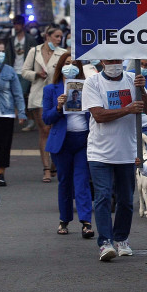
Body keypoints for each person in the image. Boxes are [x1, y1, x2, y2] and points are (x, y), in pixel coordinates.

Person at [82, 59, 147, 261]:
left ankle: (121, 239)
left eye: (117, 60)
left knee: (126, 200)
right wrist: (127, 109)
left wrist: (143, 90)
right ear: (102, 61)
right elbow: (99, 115)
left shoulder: (132, 79)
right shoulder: (93, 82)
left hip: (127, 151)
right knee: (103, 196)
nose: (114, 64)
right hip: (99, 152)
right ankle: (105, 242)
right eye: (110, 61)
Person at [42, 53, 94, 238]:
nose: (70, 66)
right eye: (66, 63)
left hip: (82, 140)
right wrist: (57, 107)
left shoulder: (88, 86)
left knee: (82, 181)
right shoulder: (51, 89)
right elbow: (46, 118)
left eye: (74, 63)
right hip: (62, 143)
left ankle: (86, 222)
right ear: (60, 67)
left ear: (79, 67)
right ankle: (64, 220)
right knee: (64, 182)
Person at [21, 25, 67, 182]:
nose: (59, 40)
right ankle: (46, 168)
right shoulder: (34, 52)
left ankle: (55, 160)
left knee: (57, 128)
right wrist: (36, 74)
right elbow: (24, 71)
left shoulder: (63, 53)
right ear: (47, 36)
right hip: (39, 95)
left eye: (61, 37)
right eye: (56, 36)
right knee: (45, 129)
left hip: (57, 94)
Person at [0, 40, 27, 187]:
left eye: (3, 51)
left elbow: (17, 93)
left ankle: (0, 174)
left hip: (6, 114)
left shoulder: (9, 71)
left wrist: (21, 112)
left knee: (4, 146)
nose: (1, 54)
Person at [5, 15, 34, 119]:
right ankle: (23, 116)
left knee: (21, 93)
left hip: (26, 70)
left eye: (17, 24)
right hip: (14, 70)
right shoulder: (11, 40)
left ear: (22, 25)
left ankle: (24, 116)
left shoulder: (30, 39)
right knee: (17, 94)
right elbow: (8, 55)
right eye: (14, 24)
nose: (16, 27)